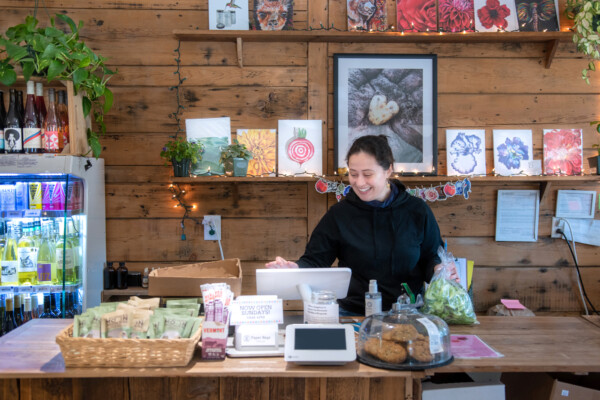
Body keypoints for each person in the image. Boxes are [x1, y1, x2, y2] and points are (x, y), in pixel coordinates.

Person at [265, 135, 458, 315]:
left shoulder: (417, 211)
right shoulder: (339, 214)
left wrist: (438, 269)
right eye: (353, 174)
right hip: (352, 313)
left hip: (407, 313)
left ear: (388, 170)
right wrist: (295, 268)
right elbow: (315, 261)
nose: (359, 182)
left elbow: (431, 256)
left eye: (367, 174)